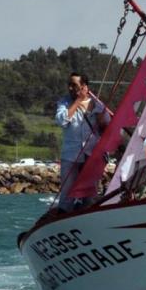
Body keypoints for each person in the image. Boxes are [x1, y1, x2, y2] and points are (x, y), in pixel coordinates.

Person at [55, 72, 112, 210]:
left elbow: (108, 129)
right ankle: (64, 214)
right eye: (69, 85)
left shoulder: (97, 104)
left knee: (89, 193)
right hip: (71, 155)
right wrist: (77, 102)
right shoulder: (64, 102)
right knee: (67, 192)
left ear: (84, 86)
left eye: (74, 85)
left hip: (92, 155)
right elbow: (62, 120)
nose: (70, 88)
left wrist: (101, 121)